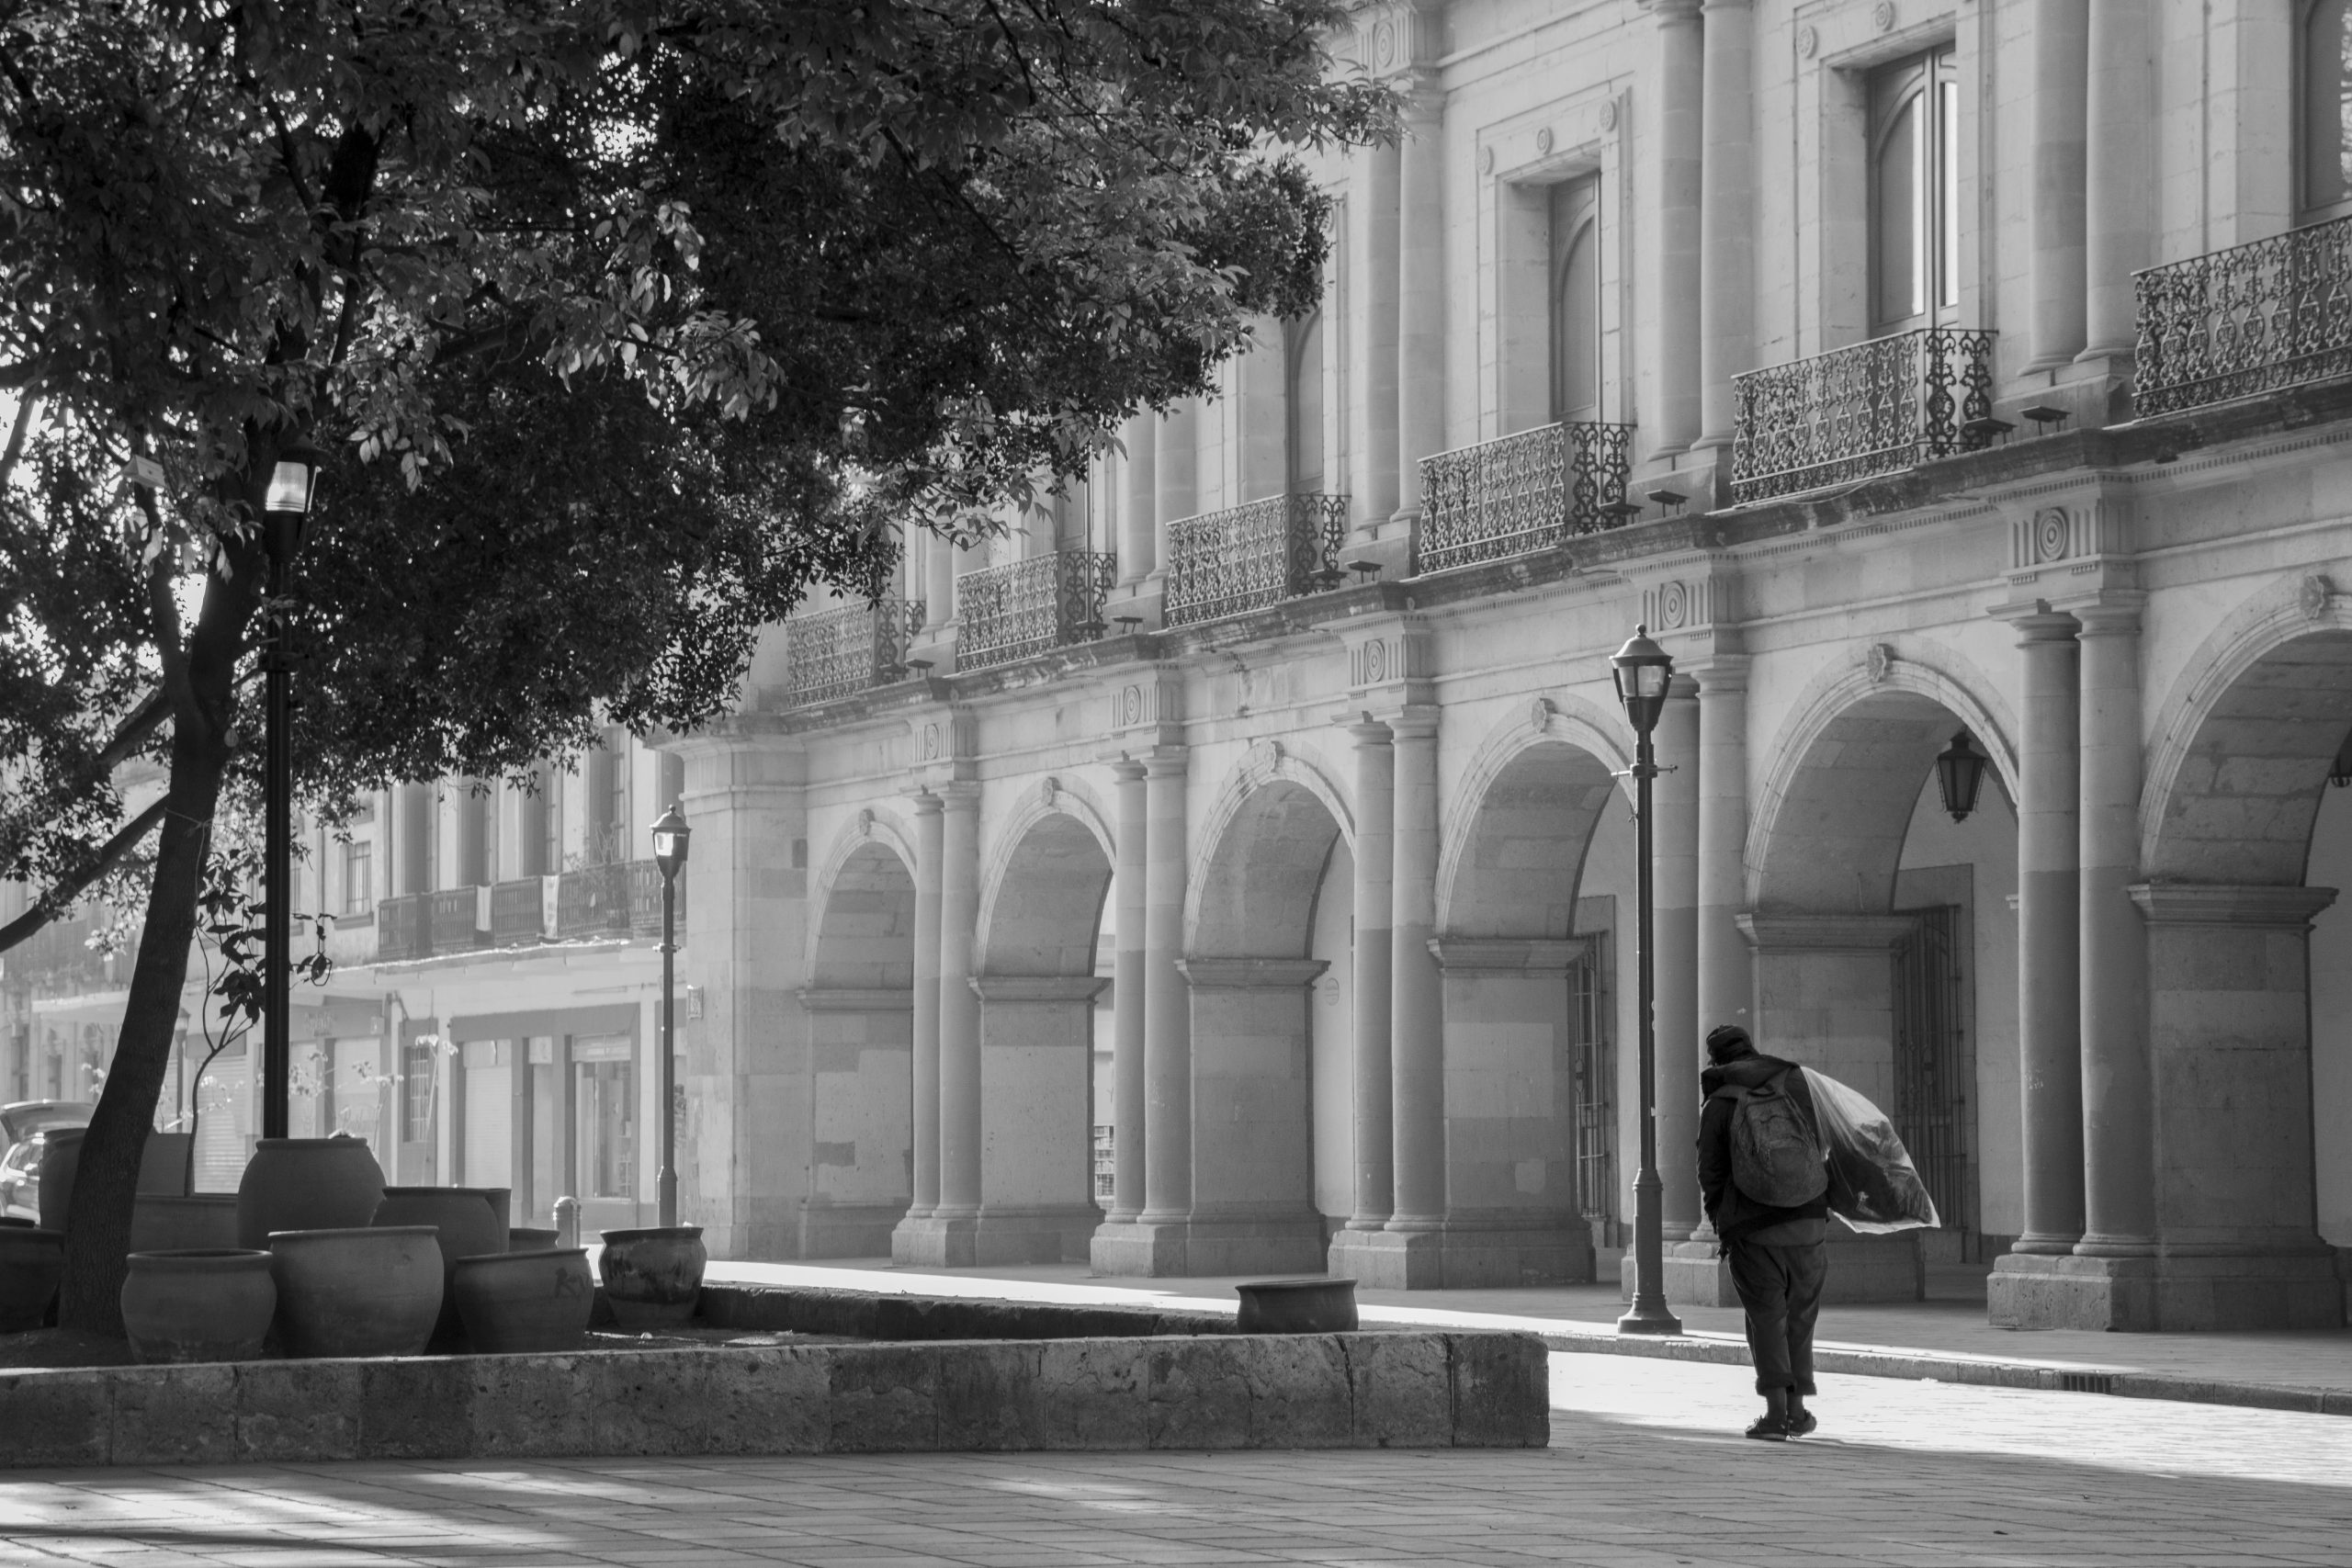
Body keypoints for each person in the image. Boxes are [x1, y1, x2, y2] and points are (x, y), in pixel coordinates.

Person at [1697, 1023, 1828, 1441]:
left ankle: (1775, 1415)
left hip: (1754, 1229)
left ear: (1716, 1060)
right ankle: (1798, 1410)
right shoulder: (1796, 1085)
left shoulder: (1720, 1102)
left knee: (1767, 1318)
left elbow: (1710, 1173)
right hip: (1809, 1221)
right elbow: (1826, 1142)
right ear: (1752, 1049)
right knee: (1801, 1318)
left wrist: (1723, 1220)